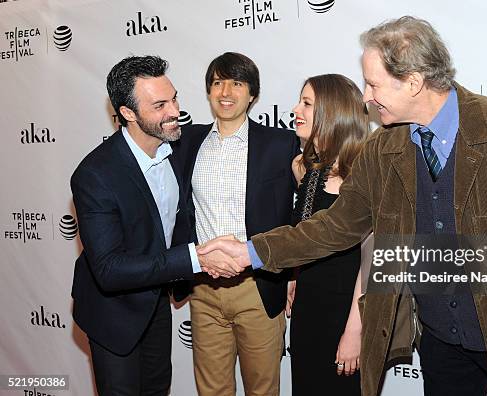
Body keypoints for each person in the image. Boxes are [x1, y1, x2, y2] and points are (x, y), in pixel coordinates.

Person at [201, 16, 487, 396]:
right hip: (443, 339)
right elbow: (334, 226)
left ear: (413, 82)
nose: (366, 97)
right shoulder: (382, 148)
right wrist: (251, 251)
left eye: (374, 85)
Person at [70, 55, 236, 395]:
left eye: (174, 98)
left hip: (155, 301)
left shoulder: (177, 147)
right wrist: (196, 259)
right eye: (159, 105)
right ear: (127, 113)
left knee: (158, 388)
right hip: (112, 312)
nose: (174, 111)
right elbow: (110, 269)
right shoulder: (95, 176)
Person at [171, 52, 300, 396]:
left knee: (262, 389)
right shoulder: (187, 142)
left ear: (252, 94)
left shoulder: (280, 144)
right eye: (217, 83)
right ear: (209, 91)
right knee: (211, 390)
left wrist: (293, 271)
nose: (225, 91)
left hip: (258, 288)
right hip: (204, 290)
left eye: (237, 83)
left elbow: (302, 212)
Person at [286, 74, 368, 395]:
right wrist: (294, 276)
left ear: (332, 113)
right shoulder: (305, 168)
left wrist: (354, 331)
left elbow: (373, 263)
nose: (296, 109)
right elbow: (306, 234)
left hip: (347, 313)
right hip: (308, 308)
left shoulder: (363, 177)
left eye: (307, 103)